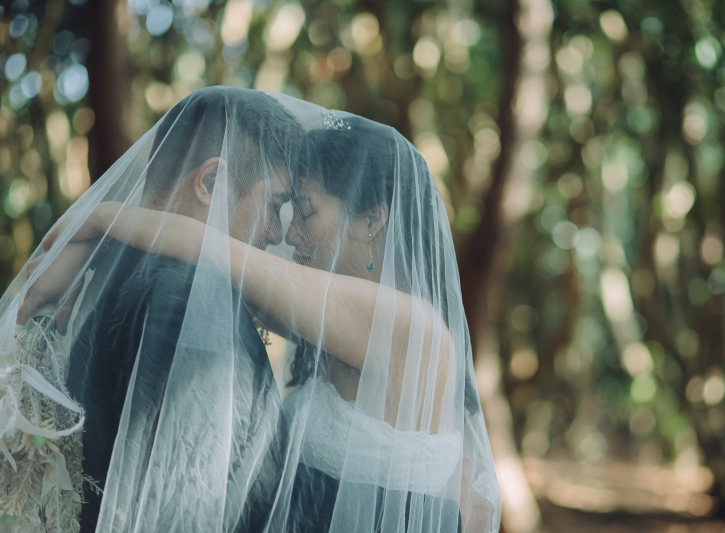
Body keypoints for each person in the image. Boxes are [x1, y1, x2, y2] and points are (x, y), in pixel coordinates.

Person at [38, 97, 501, 532]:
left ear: (371, 220)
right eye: (287, 208)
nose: (288, 234)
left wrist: (102, 220)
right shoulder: (334, 321)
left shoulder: (405, 321)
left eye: (305, 211)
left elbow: (218, 250)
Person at [9, 87, 304, 531]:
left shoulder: (102, 267)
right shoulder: (194, 302)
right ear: (210, 183)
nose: (276, 235)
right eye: (274, 204)